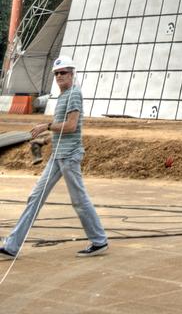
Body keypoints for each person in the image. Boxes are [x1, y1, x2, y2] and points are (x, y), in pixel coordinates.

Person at [0, 56, 108, 260]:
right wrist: (45, 139)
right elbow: (63, 130)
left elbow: (71, 126)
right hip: (58, 156)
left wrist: (46, 126)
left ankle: (99, 240)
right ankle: (12, 245)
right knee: (35, 197)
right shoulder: (64, 96)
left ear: (72, 74)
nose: (59, 76)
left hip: (69, 156)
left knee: (79, 199)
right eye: (57, 73)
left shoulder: (74, 94)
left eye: (64, 72)